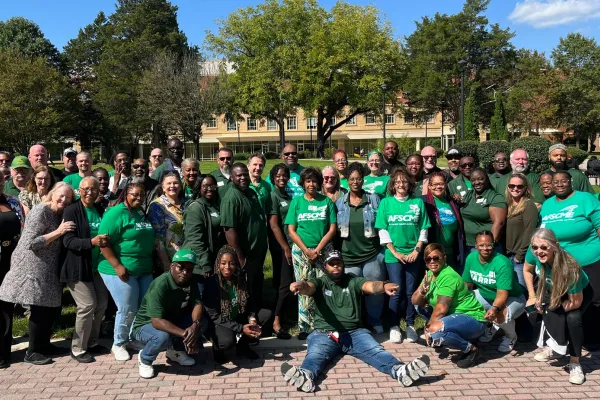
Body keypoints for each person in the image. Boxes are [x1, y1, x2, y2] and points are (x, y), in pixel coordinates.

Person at [280, 250, 430, 393]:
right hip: (324, 333)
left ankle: (400, 371)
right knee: (315, 355)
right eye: (332, 263)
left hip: (355, 333)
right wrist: (300, 285)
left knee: (376, 351)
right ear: (325, 266)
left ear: (343, 265)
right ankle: (306, 376)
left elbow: (370, 286)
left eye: (338, 263)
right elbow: (309, 287)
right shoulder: (320, 282)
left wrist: (383, 286)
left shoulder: (353, 280)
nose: (336, 266)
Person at [0, 183, 75, 365]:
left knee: (48, 309)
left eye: (68, 198)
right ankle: (32, 352)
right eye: (61, 196)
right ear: (52, 193)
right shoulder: (40, 211)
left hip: (49, 267)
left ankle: (44, 345)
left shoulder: (59, 214)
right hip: (31, 266)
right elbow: (31, 243)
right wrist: (58, 232)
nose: (64, 200)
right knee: (39, 309)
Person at [539, 170, 600, 349]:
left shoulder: (585, 199)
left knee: (593, 299)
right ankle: (564, 339)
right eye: (555, 182)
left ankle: (592, 339)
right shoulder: (548, 204)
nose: (559, 184)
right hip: (558, 264)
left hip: (588, 259)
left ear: (570, 181)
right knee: (563, 300)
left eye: (563, 181)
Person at [524, 229, 593, 385]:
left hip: (577, 294)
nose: (538, 251)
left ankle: (575, 362)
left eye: (543, 247)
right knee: (547, 311)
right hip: (553, 288)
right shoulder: (534, 251)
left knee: (572, 319)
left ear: (555, 246)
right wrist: (533, 296)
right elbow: (527, 270)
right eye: (535, 247)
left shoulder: (570, 267)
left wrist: (550, 308)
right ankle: (554, 348)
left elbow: (575, 302)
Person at [98, 182, 156, 361]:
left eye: (141, 195)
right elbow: (103, 242)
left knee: (140, 307)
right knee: (127, 307)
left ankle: (132, 338)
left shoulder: (140, 212)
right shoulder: (116, 213)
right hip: (118, 268)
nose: (138, 198)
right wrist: (117, 265)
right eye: (134, 195)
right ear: (125, 195)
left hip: (143, 268)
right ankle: (119, 343)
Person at [375, 167, 430, 343]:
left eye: (404, 181)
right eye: (397, 182)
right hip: (393, 255)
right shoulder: (386, 203)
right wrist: (395, 252)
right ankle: (394, 326)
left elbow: (423, 228)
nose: (401, 184)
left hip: (413, 254)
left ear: (410, 184)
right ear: (392, 185)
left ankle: (411, 324)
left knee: (411, 292)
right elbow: (382, 230)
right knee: (396, 291)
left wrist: (417, 250)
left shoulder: (417, 202)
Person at [411, 244, 487, 368]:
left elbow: (441, 309)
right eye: (428, 259)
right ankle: (453, 336)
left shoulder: (448, 276)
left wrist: (428, 328)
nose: (432, 262)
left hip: (474, 319)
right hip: (455, 316)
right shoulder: (430, 274)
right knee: (419, 306)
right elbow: (414, 301)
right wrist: (422, 291)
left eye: (436, 258)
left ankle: (472, 349)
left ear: (444, 258)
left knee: (436, 331)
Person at [60, 177, 109, 363]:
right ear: (79, 190)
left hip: (97, 267)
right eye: (86, 189)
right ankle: (78, 347)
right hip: (77, 267)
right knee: (87, 305)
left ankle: (91, 341)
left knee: (102, 303)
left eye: (94, 189)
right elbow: (68, 241)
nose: (90, 192)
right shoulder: (72, 211)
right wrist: (92, 242)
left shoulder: (99, 210)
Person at [132, 249, 203, 378]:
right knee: (161, 337)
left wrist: (195, 325)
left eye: (189, 269)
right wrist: (186, 335)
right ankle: (145, 359)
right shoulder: (160, 284)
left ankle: (174, 351)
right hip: (145, 325)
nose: (185, 272)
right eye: (181, 267)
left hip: (170, 319)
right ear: (172, 266)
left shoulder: (191, 280)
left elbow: (197, 303)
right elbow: (156, 321)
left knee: (201, 322)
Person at [285, 167, 337, 340]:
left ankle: (323, 322)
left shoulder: (327, 202)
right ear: (303, 183)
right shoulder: (297, 202)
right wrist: (306, 250)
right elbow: (291, 230)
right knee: (303, 286)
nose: (311, 184)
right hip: (301, 251)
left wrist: (318, 249)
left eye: (314, 181)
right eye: (308, 181)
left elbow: (332, 229)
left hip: (323, 250)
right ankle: (305, 326)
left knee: (323, 286)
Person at [336, 162, 386, 332]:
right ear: (347, 181)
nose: (355, 182)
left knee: (375, 289)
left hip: (372, 254)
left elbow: (382, 225)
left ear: (363, 180)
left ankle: (375, 320)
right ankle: (355, 322)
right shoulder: (340, 203)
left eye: (358, 178)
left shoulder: (374, 199)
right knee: (351, 292)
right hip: (349, 256)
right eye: (352, 179)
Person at [203, 245, 272, 363]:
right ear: (218, 264)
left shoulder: (241, 279)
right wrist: (240, 328)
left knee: (266, 314)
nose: (227, 267)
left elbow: (250, 302)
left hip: (237, 316)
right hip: (220, 322)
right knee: (227, 342)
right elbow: (214, 316)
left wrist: (252, 318)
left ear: (236, 264)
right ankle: (218, 349)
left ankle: (243, 347)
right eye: (223, 263)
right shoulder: (212, 284)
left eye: (231, 263)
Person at [462, 231, 526, 352]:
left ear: (494, 245)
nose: (485, 248)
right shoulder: (471, 258)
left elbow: (502, 294)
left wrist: (495, 309)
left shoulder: (502, 263)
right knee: (464, 304)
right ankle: (490, 327)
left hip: (513, 298)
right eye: (481, 245)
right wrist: (459, 300)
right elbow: (467, 284)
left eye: (489, 245)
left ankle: (511, 337)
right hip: (485, 295)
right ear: (475, 246)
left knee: (500, 314)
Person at [221, 163, 269, 311]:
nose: (243, 178)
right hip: (245, 253)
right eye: (238, 175)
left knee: (257, 284)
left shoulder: (250, 192)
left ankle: (260, 313)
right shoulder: (231, 198)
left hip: (257, 250)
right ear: (232, 178)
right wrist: (239, 257)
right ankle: (249, 317)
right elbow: (229, 230)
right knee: (245, 288)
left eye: (245, 175)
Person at [0, 170, 25, 369]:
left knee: (6, 306)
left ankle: (4, 353)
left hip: (10, 260)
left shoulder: (13, 202)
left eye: (0, 178)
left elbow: (23, 229)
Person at [267, 164, 294, 339]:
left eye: (284, 175)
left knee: (286, 281)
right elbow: (274, 224)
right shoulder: (273, 196)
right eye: (278, 176)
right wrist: (285, 247)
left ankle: (284, 315)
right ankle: (275, 323)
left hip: (291, 245)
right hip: (281, 247)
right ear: (272, 178)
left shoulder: (288, 196)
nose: (281, 178)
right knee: (284, 284)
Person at [422, 171, 465, 271]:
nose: (438, 187)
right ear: (429, 186)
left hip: (450, 253)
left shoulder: (452, 202)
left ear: (445, 185)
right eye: (435, 184)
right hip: (432, 254)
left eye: (441, 183)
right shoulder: (423, 202)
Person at [183, 174, 224, 278]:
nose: (209, 189)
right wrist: (205, 264)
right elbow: (195, 240)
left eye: (212, 186)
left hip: (215, 259)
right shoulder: (195, 208)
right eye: (205, 186)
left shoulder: (215, 205)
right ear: (198, 187)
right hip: (200, 266)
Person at [458, 167, 507, 253]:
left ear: (487, 179)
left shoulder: (495, 197)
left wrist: (489, 246)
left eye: (480, 179)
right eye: (473, 180)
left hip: (485, 248)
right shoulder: (469, 194)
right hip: (468, 245)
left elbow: (499, 223)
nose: (477, 182)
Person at [505, 173, 538, 290]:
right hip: (506, 255)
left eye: (519, 186)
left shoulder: (528, 205)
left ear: (525, 188)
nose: (515, 188)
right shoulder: (507, 204)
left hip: (519, 257)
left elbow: (530, 232)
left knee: (521, 290)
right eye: (512, 185)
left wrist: (520, 255)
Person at [147, 172, 186, 271]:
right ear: (163, 188)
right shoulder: (157, 206)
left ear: (180, 186)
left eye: (175, 183)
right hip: (171, 258)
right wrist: (165, 261)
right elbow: (158, 238)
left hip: (188, 255)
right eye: (169, 183)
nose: (172, 186)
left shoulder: (187, 203)